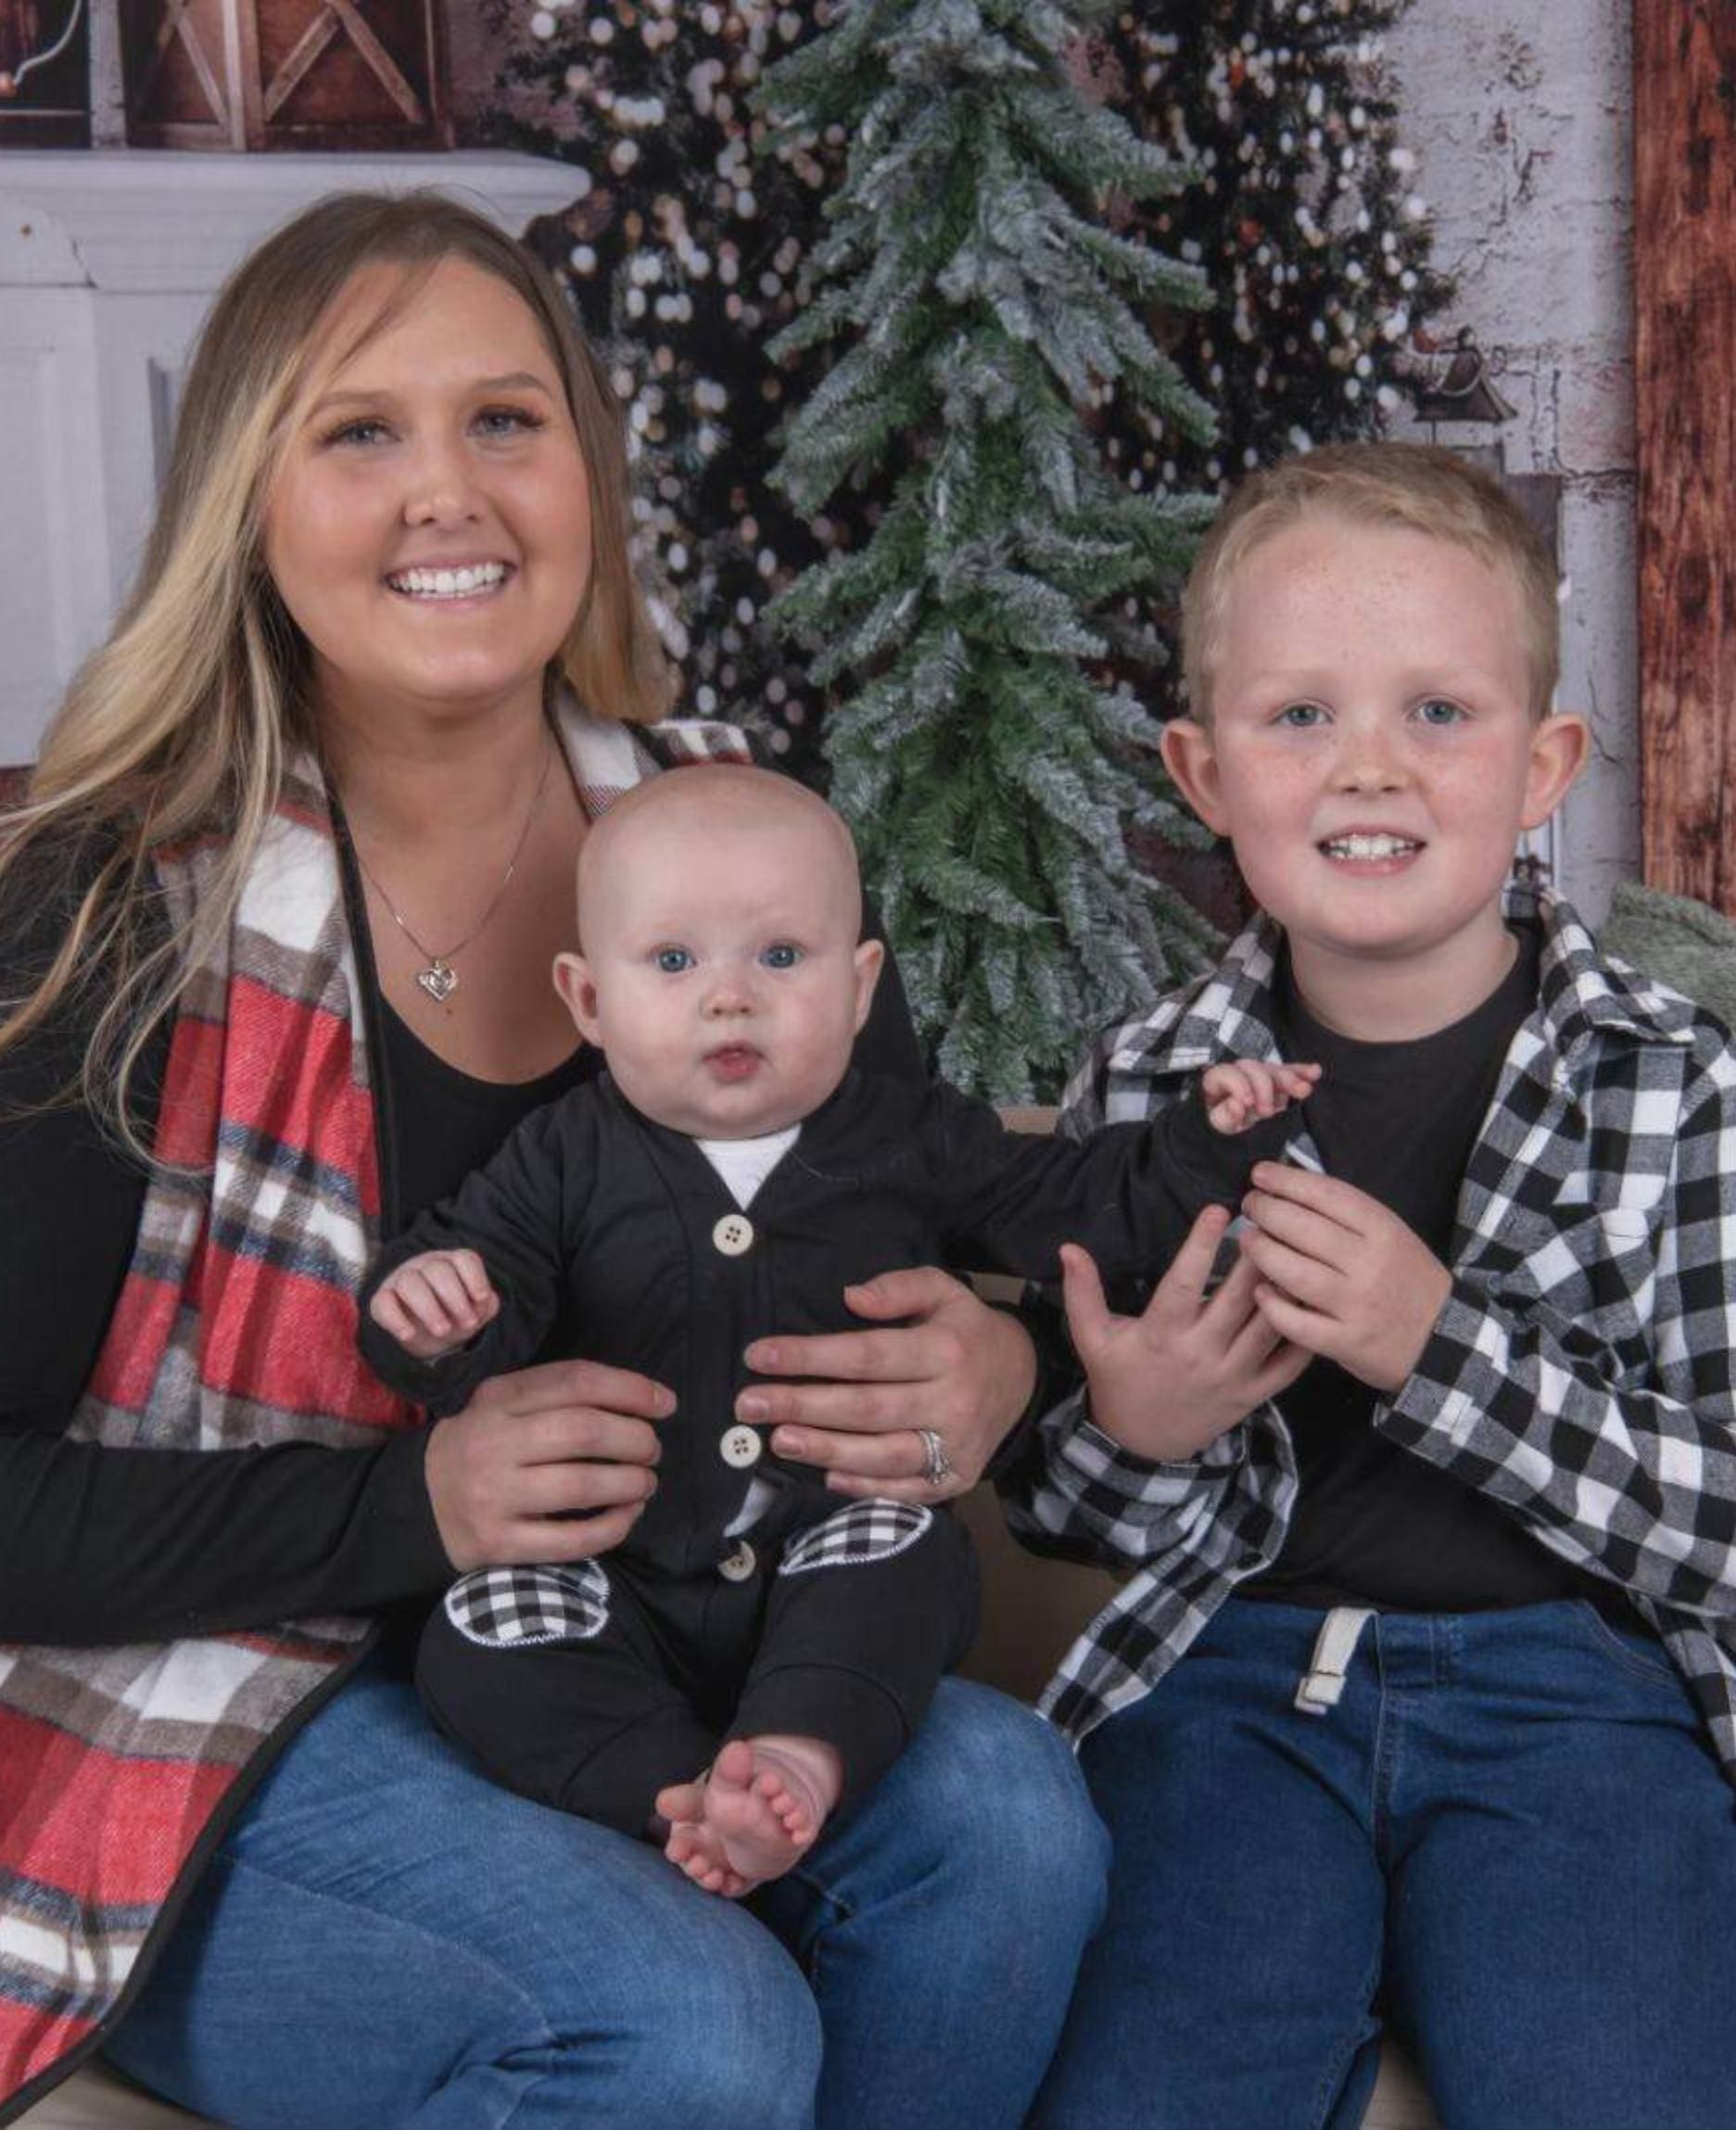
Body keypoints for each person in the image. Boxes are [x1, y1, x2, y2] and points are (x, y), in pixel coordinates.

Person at [0, 189, 1109, 2130]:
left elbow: (938, 1213)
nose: (451, 494)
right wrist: (411, 1507)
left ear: (585, 474)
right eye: (362, 432)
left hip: (673, 1639)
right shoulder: (102, 915)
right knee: (685, 2028)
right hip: (203, 1704)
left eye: (506, 420)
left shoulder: (736, 848)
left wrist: (1001, 1375)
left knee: (1007, 1819)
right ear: (248, 502)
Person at [1009, 441, 1736, 2130]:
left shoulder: (1673, 1083)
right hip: (1227, 1686)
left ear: (1543, 761)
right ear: (1200, 769)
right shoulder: (1147, 1082)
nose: (1367, 769)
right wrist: (1132, 1418)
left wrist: (1438, 1346)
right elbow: (1054, 1498)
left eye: (1435, 712)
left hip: (1578, 1702)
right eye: (1296, 717)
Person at [360, 762, 1311, 1895]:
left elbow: (1082, 1211)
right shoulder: (563, 1156)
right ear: (588, 999)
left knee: (909, 1558)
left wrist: (1203, 1144)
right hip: (617, 1579)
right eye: (672, 962)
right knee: (475, 1638)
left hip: (828, 1558)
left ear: (861, 989)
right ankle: (677, 1798)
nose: (729, 997)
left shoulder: (908, 1137)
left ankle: (799, 1763)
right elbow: (483, 1288)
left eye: (779, 957)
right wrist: (431, 1310)